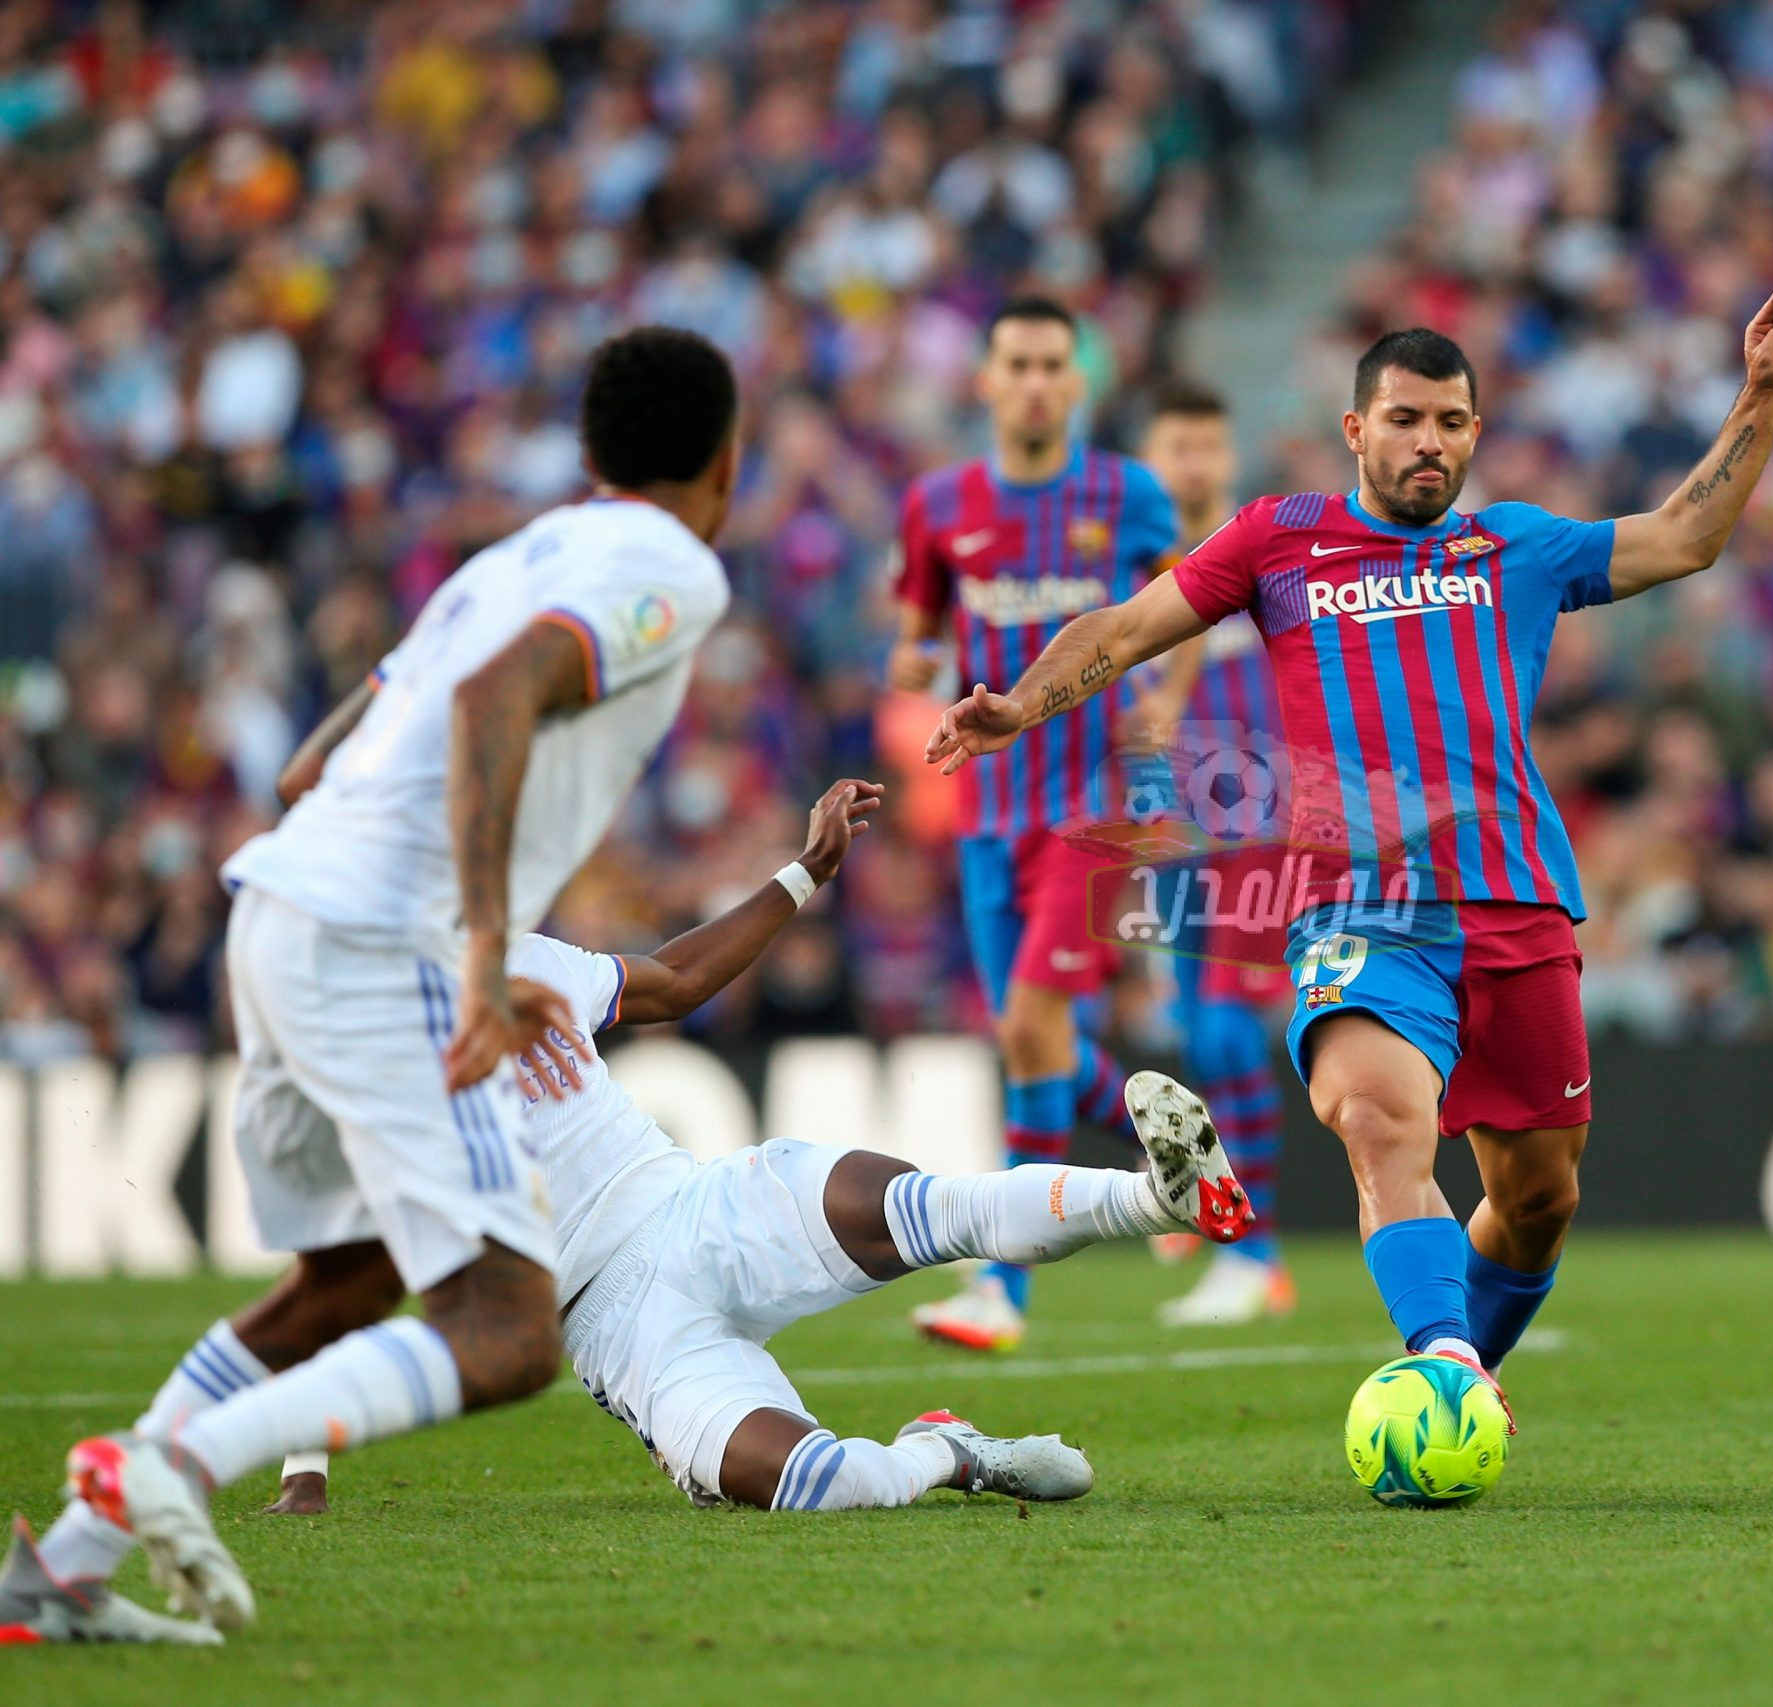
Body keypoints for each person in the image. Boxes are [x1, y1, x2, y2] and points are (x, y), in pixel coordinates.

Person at [925, 285, 1773, 1435]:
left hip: (1515, 899)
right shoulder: (1277, 538)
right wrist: (1020, 707)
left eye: (1450, 422)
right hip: (1359, 904)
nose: (1427, 442)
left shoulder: (1519, 547)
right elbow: (1124, 627)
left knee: (1537, 1198)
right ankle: (1441, 1353)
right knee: (1374, 1116)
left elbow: (1686, 536)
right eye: (1404, 420)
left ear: (1474, 435)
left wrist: (1760, 392)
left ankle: (1458, 1372)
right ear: (1358, 430)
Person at [4, 327, 742, 1642]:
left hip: (280, 907)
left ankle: (57, 1570)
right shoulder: (668, 566)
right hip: (376, 937)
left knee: (340, 1286)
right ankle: (171, 1462)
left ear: (585, 453)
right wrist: (481, 952)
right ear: (726, 460)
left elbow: (319, 762)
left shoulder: (515, 555)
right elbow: (495, 697)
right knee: (511, 1328)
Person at [256, 781, 1254, 1519]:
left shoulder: (517, 962)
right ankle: (948, 1455)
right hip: (618, 1327)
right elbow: (331, 1289)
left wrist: (802, 872)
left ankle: (1160, 1202)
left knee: (918, 1205)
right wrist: (304, 1474)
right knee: (816, 1486)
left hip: (695, 1204)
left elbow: (678, 980)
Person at [889, 296, 1185, 1353]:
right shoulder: (937, 506)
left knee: (1025, 1028)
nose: (1031, 382)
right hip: (987, 816)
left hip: (1098, 808)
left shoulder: (1129, 495)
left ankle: (1002, 1290)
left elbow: (1181, 607)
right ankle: (1172, 1142)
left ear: (1077, 382)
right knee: (1033, 1035)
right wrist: (912, 666)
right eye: (1014, 362)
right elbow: (918, 624)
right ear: (983, 378)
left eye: (1051, 364)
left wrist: (1169, 704)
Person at [1138, 379, 1296, 1325]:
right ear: (1154, 459)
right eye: (1177, 444)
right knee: (1196, 1035)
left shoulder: (1265, 555)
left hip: (1257, 820)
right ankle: (1221, 1228)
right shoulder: (1135, 566)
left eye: (1207, 444)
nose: (1193, 461)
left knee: (1232, 1032)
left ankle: (1258, 1250)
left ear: (1227, 458)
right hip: (1171, 828)